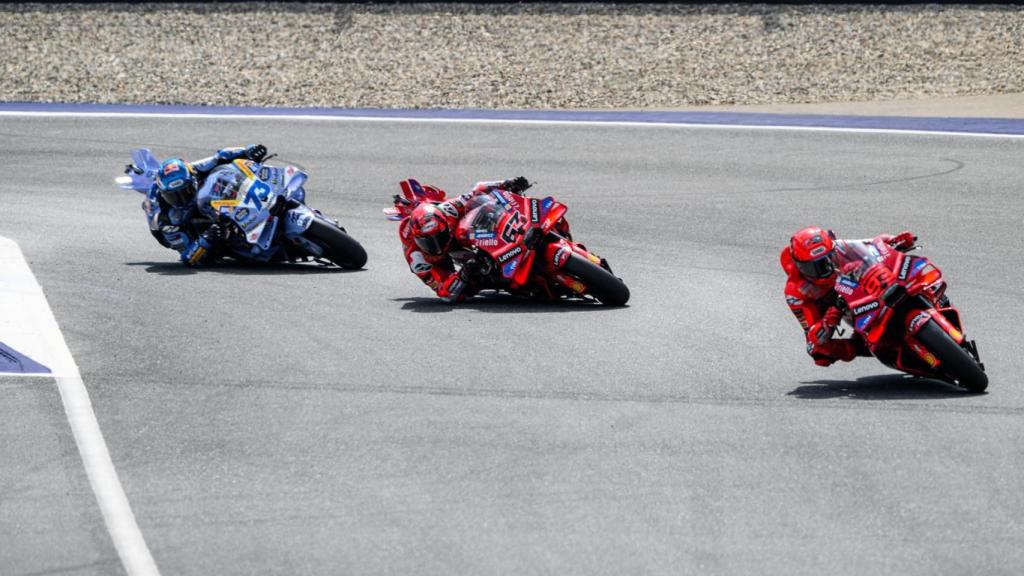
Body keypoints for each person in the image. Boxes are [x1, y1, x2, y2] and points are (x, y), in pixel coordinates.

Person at [781, 226, 917, 366]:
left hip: (872, 287)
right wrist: (828, 320)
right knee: (819, 352)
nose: (824, 270)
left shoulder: (840, 247)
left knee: (901, 267)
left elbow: (876, 243)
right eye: (812, 268)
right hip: (846, 310)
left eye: (827, 260)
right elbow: (812, 340)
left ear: (832, 249)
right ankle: (863, 345)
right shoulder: (795, 292)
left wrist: (897, 241)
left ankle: (933, 296)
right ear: (799, 266)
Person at [396, 176, 538, 301]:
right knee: (469, 288)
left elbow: (477, 190)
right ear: (417, 239)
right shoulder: (417, 258)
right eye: (428, 242)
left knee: (485, 208)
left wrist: (507, 183)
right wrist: (464, 274)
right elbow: (444, 292)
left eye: (438, 237)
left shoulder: (448, 210)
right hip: (446, 261)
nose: (436, 245)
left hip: (464, 234)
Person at [146, 144, 267, 265]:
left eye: (185, 191)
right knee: (210, 255)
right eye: (173, 196)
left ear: (193, 180)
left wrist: (249, 151)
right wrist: (206, 238)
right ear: (163, 194)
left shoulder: (194, 170)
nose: (182, 199)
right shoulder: (166, 219)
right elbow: (188, 257)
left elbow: (221, 156)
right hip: (192, 233)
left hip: (212, 201)